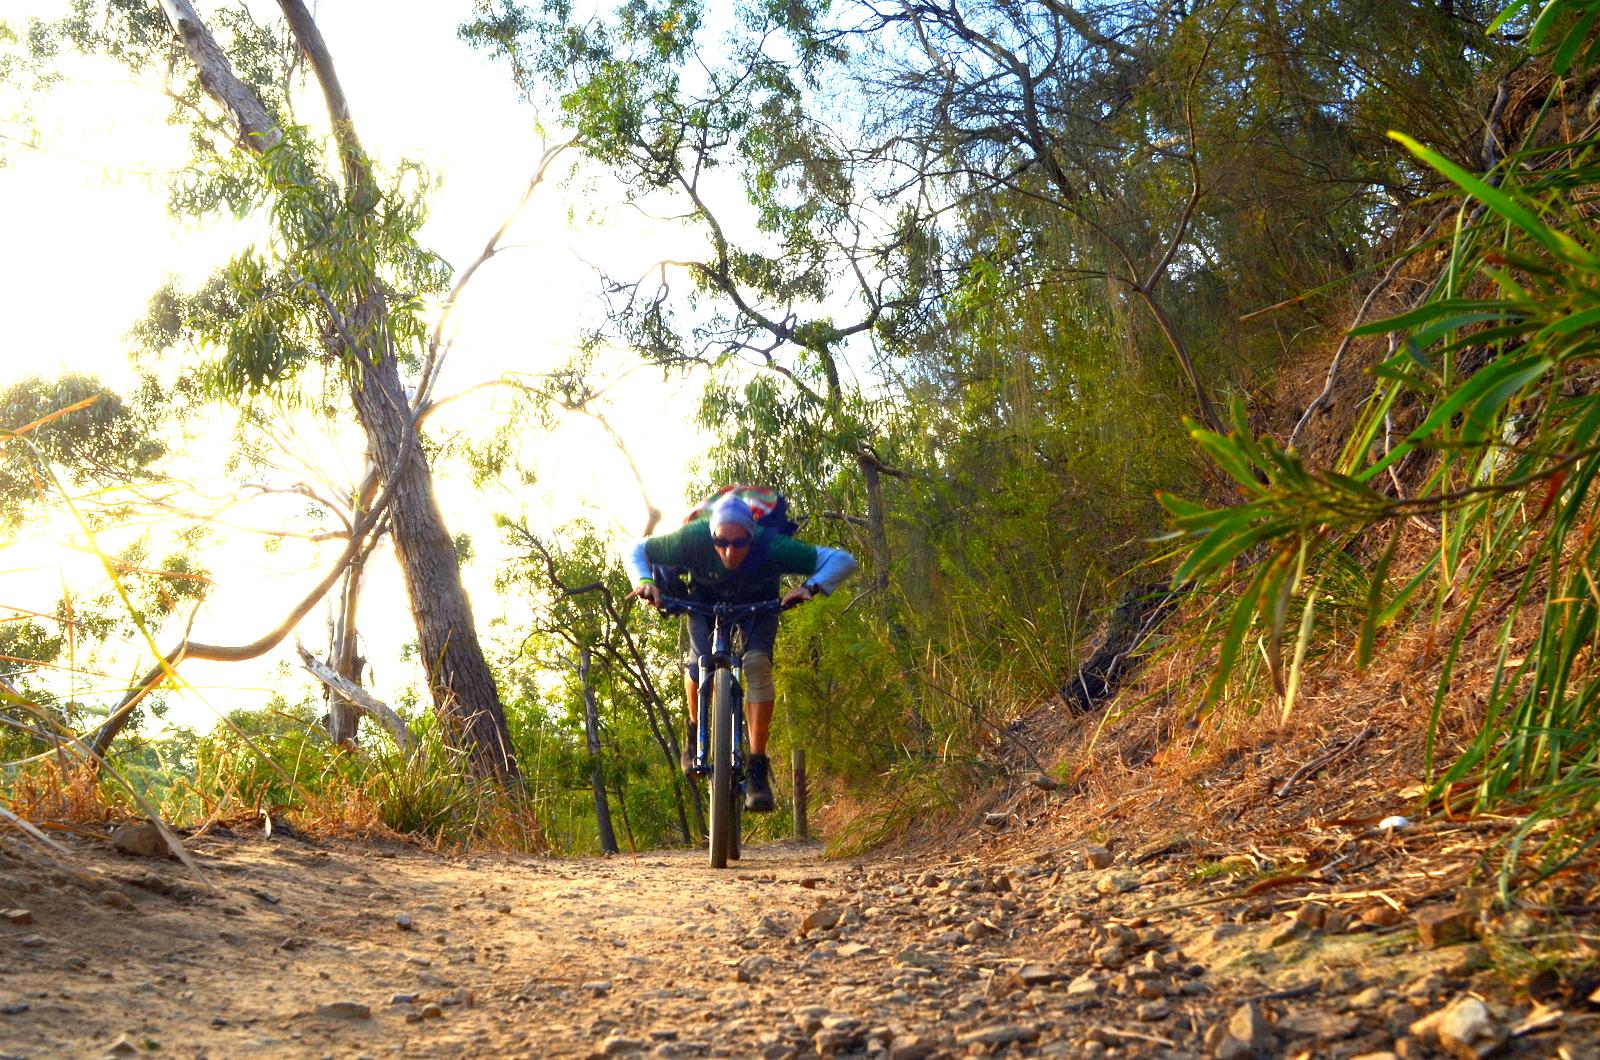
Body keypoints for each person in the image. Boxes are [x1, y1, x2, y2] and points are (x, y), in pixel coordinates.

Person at [624, 494, 857, 811]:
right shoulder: (693, 537)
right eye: (721, 542)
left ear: (752, 535)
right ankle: (694, 733)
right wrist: (645, 581)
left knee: (758, 664)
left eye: (739, 543)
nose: (729, 551)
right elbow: (637, 549)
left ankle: (757, 767)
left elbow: (842, 559)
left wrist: (811, 587)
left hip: (758, 602)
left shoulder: (771, 544)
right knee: (697, 663)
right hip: (703, 600)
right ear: (712, 535)